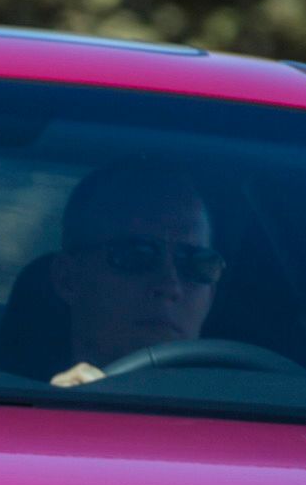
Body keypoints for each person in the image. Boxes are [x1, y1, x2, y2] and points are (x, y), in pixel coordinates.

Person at [40, 165, 226, 385]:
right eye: (136, 255)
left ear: (211, 295)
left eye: (197, 263)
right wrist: (60, 410)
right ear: (68, 279)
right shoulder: (6, 408)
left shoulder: (256, 409)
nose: (170, 286)